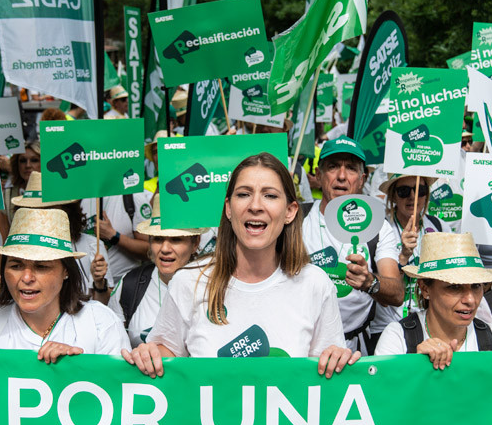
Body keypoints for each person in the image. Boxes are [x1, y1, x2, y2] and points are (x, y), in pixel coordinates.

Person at [123, 153, 357, 378]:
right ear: (228, 208)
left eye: (270, 196)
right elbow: (166, 357)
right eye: (244, 194)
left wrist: (336, 358)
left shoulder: (315, 284)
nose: (255, 205)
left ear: (290, 212)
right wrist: (149, 354)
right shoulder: (188, 282)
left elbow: (325, 377)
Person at [0, 208, 129, 362]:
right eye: (16, 265)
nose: (26, 278)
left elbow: (119, 395)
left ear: (66, 271)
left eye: (41, 267)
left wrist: (75, 370)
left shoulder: (101, 323)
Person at [301, 137, 404, 354]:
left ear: (362, 179)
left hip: (355, 349)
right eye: (332, 167)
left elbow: (396, 294)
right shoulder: (295, 220)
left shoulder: (378, 228)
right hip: (303, 347)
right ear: (318, 175)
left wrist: (370, 282)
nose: (341, 176)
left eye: (350, 168)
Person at [374, 233, 492, 365]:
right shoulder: (398, 336)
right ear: (425, 289)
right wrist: (415, 366)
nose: (470, 299)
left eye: (476, 286)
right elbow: (383, 391)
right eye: (455, 287)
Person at [108, 197, 207, 347]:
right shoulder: (130, 284)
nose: (165, 249)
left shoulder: (211, 286)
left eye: (176, 239)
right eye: (158, 239)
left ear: (195, 243)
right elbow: (113, 347)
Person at [2, 171, 112, 302]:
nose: (42, 215)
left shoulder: (92, 246)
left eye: (49, 209)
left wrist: (99, 284)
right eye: (33, 210)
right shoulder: (14, 249)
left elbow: (103, 304)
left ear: (67, 211)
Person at [370, 174, 443, 336]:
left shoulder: (437, 225)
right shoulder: (380, 229)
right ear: (393, 196)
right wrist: (403, 256)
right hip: (388, 326)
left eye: (420, 190)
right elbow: (379, 288)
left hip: (429, 325)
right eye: (403, 191)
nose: (412, 197)